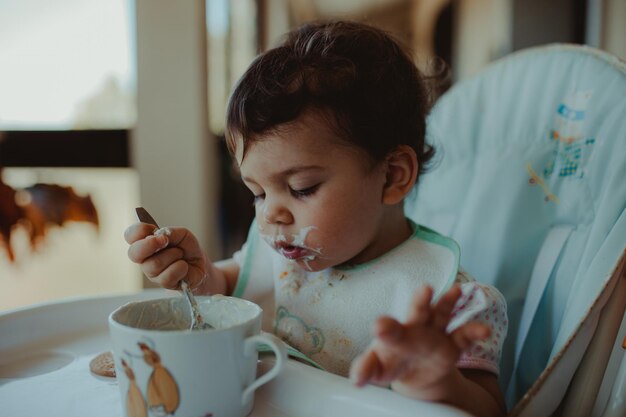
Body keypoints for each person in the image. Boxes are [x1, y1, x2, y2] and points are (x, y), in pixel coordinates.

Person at [125, 20, 507, 417]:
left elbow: (491, 410)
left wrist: (435, 381)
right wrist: (198, 274)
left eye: (302, 187)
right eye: (257, 192)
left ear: (392, 176)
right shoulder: (282, 251)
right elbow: (236, 290)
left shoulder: (447, 303)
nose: (271, 212)